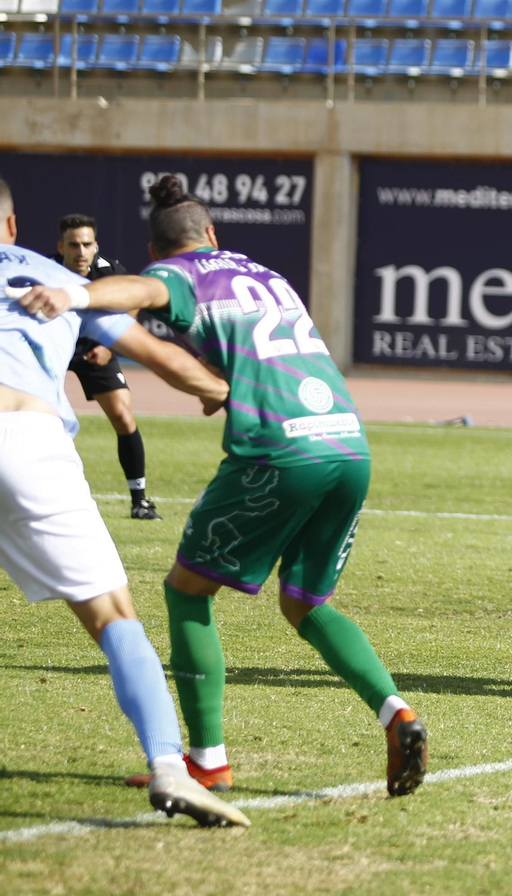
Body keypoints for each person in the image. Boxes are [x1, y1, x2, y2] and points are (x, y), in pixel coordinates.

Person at [18, 175, 428, 796]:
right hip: (347, 441)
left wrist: (73, 294)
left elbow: (143, 290)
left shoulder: (181, 273)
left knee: (186, 591)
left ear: (158, 249)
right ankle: (395, 711)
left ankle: (207, 761)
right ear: (212, 232)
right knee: (305, 602)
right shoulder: (268, 275)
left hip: (278, 449)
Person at [0, 178, 248, 827]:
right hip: (26, 441)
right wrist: (227, 393)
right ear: (13, 225)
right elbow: (160, 356)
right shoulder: (50, 276)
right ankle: (170, 767)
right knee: (114, 616)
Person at [54, 213, 160, 519]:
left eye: (87, 244)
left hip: (94, 349)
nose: (81, 251)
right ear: (61, 247)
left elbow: (136, 300)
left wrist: (108, 345)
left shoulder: (110, 270)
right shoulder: (46, 271)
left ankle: (140, 501)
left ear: (95, 244)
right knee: (36, 419)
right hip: (56, 350)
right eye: (73, 245)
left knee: (123, 417)